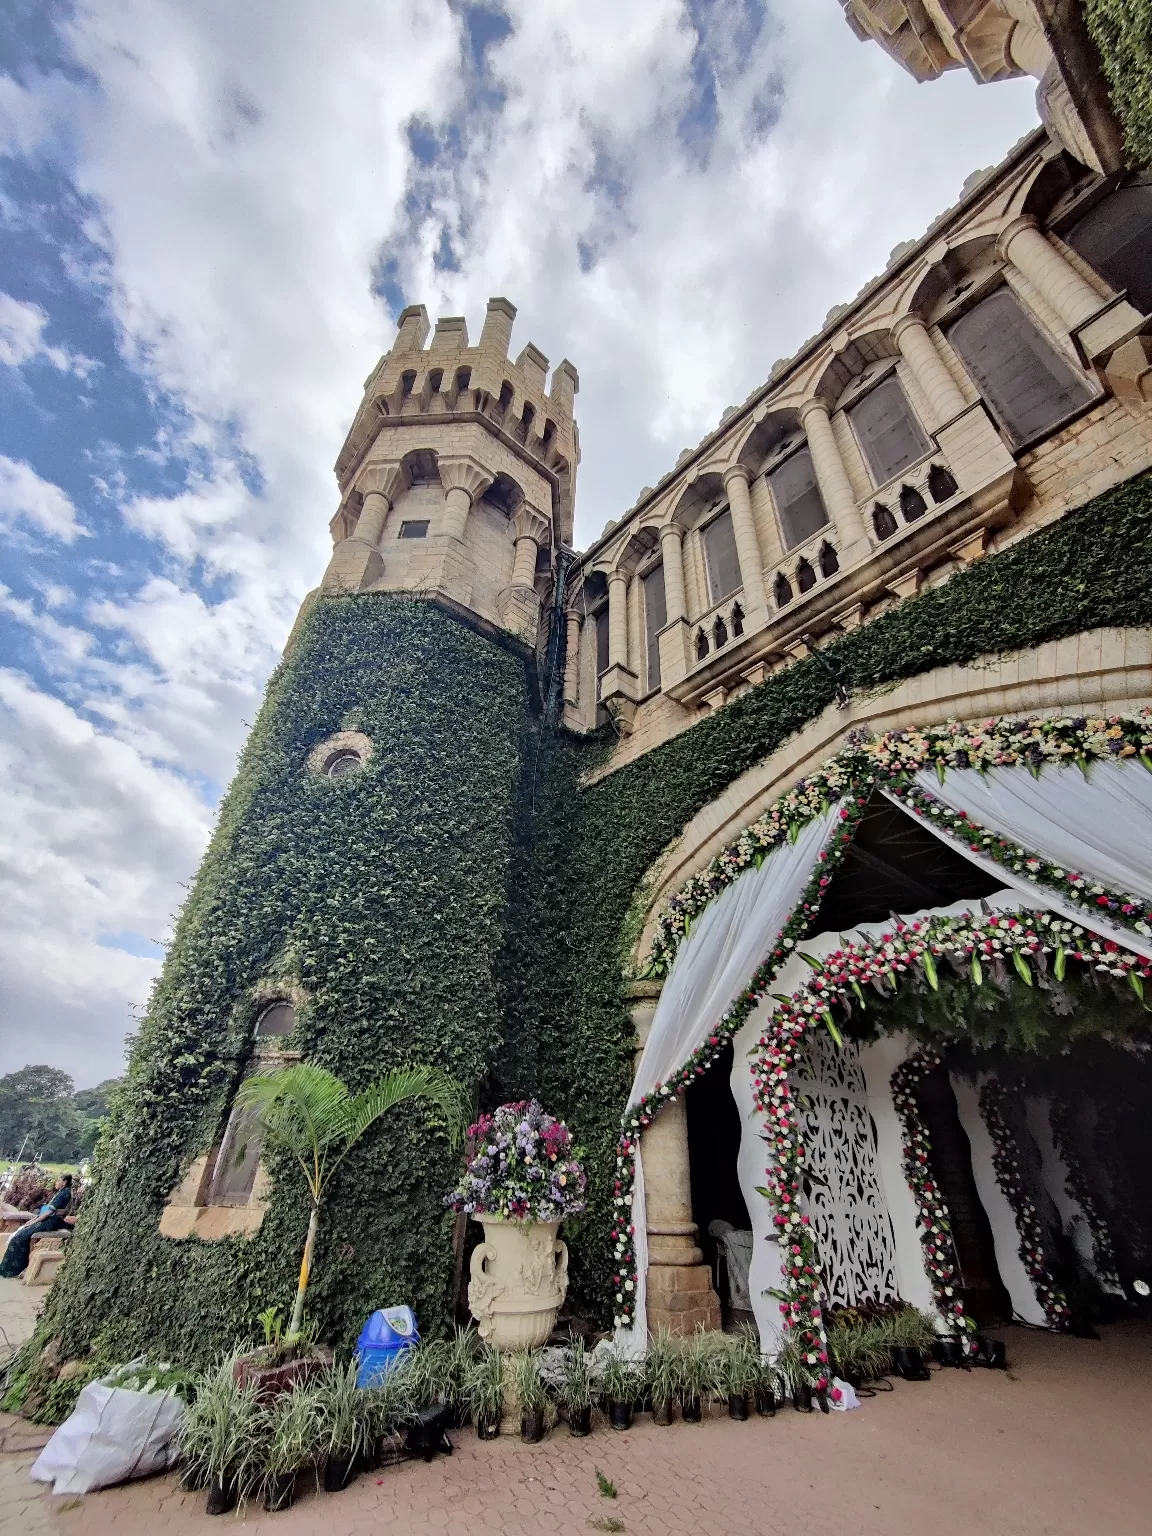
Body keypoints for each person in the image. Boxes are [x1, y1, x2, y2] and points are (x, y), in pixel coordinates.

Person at [0, 1175, 75, 1278]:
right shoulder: (61, 1192)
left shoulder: (65, 1194)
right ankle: (10, 1267)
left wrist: (33, 1222)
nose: (56, 1183)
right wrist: (33, 1220)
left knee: (21, 1237)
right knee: (20, 1235)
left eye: (58, 1180)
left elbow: (48, 1213)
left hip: (53, 1221)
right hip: (49, 1219)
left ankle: (15, 1269)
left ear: (64, 1182)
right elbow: (45, 1212)